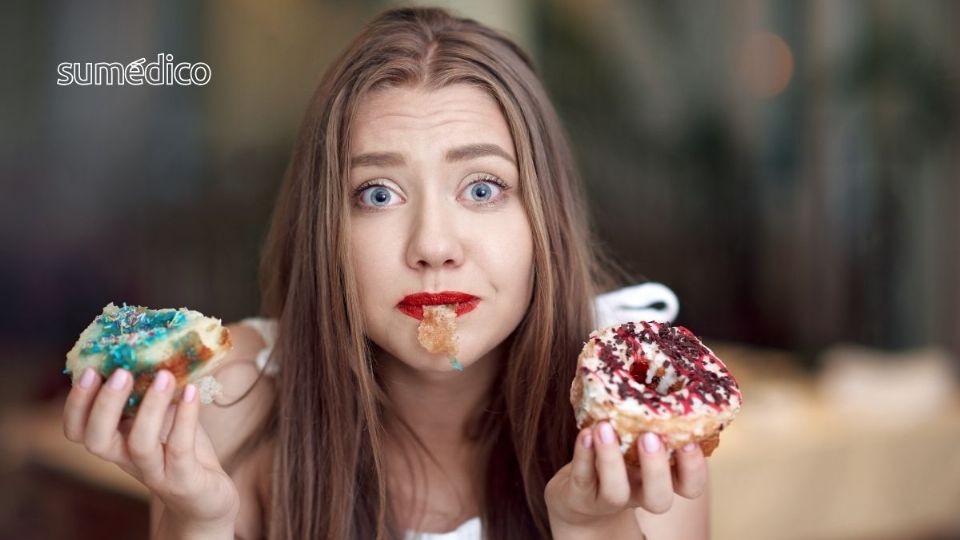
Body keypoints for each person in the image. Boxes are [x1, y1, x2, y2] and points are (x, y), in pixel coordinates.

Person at [62, 6, 709, 539]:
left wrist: (595, 531)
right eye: (377, 194)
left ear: (548, 219)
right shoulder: (230, 406)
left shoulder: (641, 439)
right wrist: (195, 517)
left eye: (482, 189)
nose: (432, 245)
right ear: (325, 232)